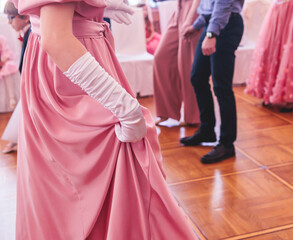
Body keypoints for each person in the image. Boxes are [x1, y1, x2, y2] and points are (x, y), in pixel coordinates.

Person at [13, 0, 198, 239]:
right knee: (113, 175)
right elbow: (56, 39)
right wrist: (123, 107)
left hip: (75, 65)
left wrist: (89, 8)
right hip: (71, 77)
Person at [180, 0, 244, 163]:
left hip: (226, 25)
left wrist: (211, 34)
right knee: (198, 77)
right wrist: (196, 26)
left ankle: (227, 143)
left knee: (222, 87)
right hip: (213, 23)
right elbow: (210, 6)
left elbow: (223, 5)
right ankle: (207, 129)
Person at [244, 0, 293, 112]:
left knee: (291, 52)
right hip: (278, 8)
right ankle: (272, 92)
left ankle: (292, 96)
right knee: (272, 49)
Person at [153, 0, 201, 126]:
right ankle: (166, 111)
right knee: (161, 57)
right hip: (180, 8)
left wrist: (191, 18)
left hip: (194, 8)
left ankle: (193, 117)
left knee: (187, 65)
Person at [1, 0, 31, 154]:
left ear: (25, 16)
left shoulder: (32, 33)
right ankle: (15, 141)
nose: (8, 22)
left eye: (11, 17)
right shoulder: (26, 33)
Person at [0, 35, 19, 113]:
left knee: (7, 69)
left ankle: (12, 98)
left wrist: (2, 62)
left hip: (4, 62)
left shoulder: (2, 38)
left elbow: (6, 51)